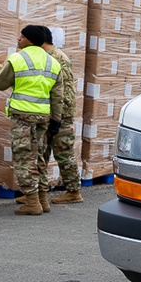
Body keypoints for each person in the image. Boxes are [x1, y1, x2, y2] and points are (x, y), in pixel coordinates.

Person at [0, 25, 63, 216]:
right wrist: (56, 120)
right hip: (43, 117)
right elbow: (58, 96)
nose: (18, 38)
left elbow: (1, 83)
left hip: (22, 116)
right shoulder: (53, 63)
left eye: (22, 36)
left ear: (30, 40)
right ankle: (43, 199)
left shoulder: (18, 58)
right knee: (40, 157)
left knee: (24, 158)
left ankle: (32, 203)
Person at [40, 27, 83, 204]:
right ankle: (37, 192)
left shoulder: (57, 57)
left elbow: (64, 90)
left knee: (63, 152)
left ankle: (73, 191)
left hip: (60, 114)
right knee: (42, 152)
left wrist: (60, 116)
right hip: (49, 112)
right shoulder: (48, 56)